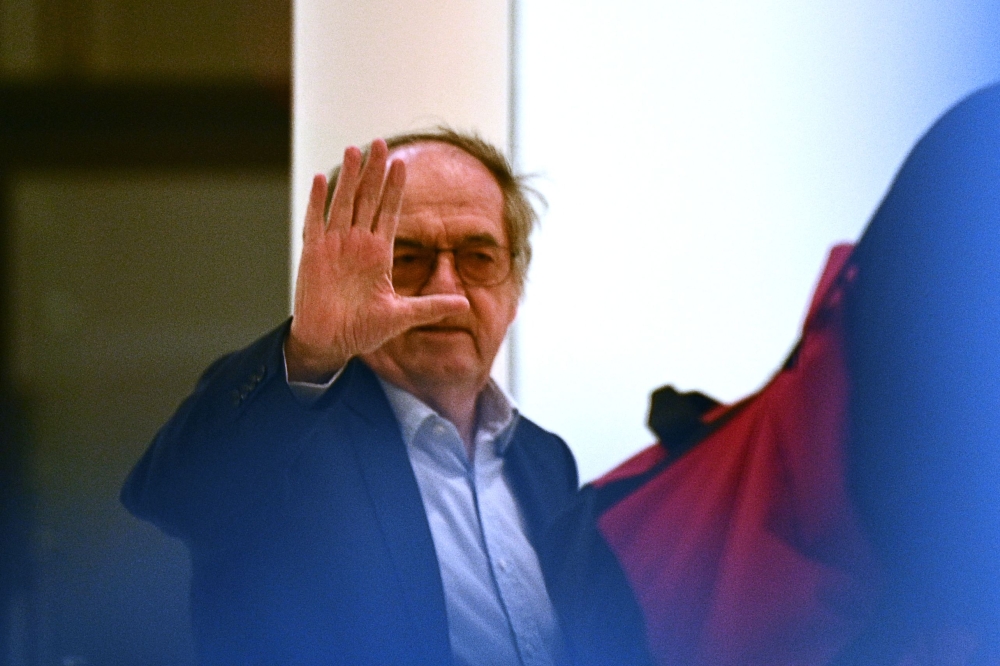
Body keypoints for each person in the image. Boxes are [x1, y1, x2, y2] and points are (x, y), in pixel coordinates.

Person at [121, 130, 589, 666]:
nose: (446, 288)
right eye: (406, 258)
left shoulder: (545, 460)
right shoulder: (288, 433)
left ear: (516, 286)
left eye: (478, 257)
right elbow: (172, 498)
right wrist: (311, 350)